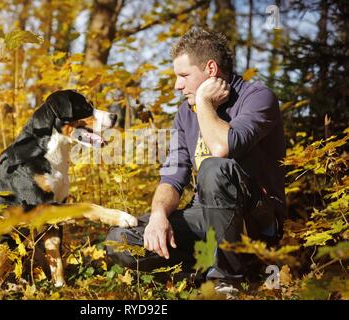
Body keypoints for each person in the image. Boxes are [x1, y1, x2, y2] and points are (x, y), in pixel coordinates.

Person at [105, 27, 286, 291]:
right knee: (120, 240)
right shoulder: (184, 113)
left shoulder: (257, 98)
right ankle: (203, 271)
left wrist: (203, 102)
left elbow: (222, 147)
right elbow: (172, 176)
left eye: (184, 75)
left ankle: (227, 281)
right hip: (204, 215)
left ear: (211, 69)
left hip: (254, 219)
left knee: (214, 167)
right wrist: (158, 215)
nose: (177, 85)